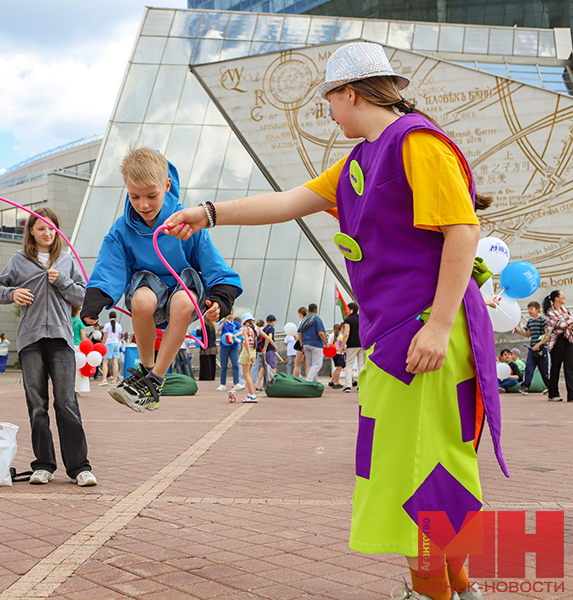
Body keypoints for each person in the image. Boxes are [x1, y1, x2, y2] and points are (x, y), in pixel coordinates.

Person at [164, 42, 506, 600]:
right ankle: (459, 586)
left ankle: (431, 591)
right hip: (399, 331)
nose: (328, 112)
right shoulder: (360, 160)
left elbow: (463, 232)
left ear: (351, 93)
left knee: (416, 467)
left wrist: (440, 326)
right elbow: (289, 201)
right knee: (424, 461)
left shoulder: (417, 143)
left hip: (423, 328)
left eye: (329, 99)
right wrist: (209, 214)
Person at [80, 146, 241, 412]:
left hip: (183, 287)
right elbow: (111, 264)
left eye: (151, 196)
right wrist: (96, 300)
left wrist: (221, 297)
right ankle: (145, 369)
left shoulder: (185, 220)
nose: (143, 205)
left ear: (167, 185)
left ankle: (155, 380)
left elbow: (210, 259)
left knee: (183, 301)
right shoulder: (122, 228)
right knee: (142, 301)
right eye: (135, 196)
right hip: (148, 290)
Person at [0, 206, 96, 486]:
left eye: (51, 228)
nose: (47, 232)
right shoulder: (18, 260)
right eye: (41, 228)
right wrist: (13, 293)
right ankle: (43, 465)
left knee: (67, 402)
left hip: (62, 339)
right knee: (37, 405)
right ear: (31, 232)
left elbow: (83, 295)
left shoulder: (66, 260)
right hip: (31, 340)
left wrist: (62, 280)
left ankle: (79, 467)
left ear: (57, 230)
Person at [543, 290, 573, 402]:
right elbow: (559, 324)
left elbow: (568, 323)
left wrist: (568, 324)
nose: (564, 297)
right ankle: (553, 393)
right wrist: (568, 323)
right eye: (562, 295)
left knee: (570, 367)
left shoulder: (566, 310)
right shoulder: (550, 312)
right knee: (556, 367)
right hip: (557, 342)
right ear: (556, 298)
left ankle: (571, 395)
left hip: (568, 339)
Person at [513, 301, 548, 396]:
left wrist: (539, 344)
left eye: (531, 309)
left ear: (537, 310)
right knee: (529, 368)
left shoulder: (543, 321)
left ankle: (549, 387)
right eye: (528, 309)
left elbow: (547, 335)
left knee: (544, 369)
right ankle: (525, 387)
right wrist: (518, 332)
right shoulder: (530, 321)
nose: (529, 311)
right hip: (531, 349)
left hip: (541, 349)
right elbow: (528, 334)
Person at [298, 304, 327, 382]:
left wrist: (301, 345)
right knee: (317, 365)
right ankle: (308, 380)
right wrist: (326, 343)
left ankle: (315, 383)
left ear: (308, 310)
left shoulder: (303, 320)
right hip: (316, 344)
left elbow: (299, 333)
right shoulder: (317, 319)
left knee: (311, 366)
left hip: (305, 344)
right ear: (316, 310)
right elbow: (321, 333)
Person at [217, 312, 243, 391]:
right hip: (224, 345)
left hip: (234, 346)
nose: (230, 316)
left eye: (231, 314)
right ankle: (222, 383)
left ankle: (236, 382)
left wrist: (236, 335)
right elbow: (218, 330)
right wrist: (223, 322)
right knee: (223, 365)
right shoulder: (223, 323)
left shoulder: (236, 323)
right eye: (229, 314)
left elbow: (242, 330)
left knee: (235, 364)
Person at [238, 312, 260, 403]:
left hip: (247, 351)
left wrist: (249, 354)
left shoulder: (246, 329)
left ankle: (252, 395)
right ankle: (251, 394)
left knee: (245, 374)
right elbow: (266, 336)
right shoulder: (256, 328)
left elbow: (246, 342)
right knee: (248, 373)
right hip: (254, 350)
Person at [342, 302, 364, 392]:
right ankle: (361, 386)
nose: (346, 310)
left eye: (347, 309)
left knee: (349, 366)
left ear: (351, 309)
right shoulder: (362, 318)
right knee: (361, 365)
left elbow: (346, 333)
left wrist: (343, 344)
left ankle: (348, 386)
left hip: (351, 345)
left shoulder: (348, 320)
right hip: (361, 344)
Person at [253, 314, 277, 389]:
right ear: (272, 322)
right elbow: (269, 338)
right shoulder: (271, 328)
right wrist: (274, 346)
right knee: (273, 367)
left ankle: (259, 385)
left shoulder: (264, 328)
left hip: (263, 350)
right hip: (269, 350)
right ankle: (271, 385)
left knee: (263, 368)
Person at [100, 311, 123, 385]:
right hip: (116, 343)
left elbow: (105, 336)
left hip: (108, 344)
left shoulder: (107, 325)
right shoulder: (119, 326)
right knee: (115, 362)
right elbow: (119, 337)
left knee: (105, 362)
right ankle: (114, 379)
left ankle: (104, 379)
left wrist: (102, 344)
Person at [197, 315, 218, 381]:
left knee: (206, 363)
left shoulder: (205, 325)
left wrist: (197, 330)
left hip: (206, 347)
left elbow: (202, 334)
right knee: (212, 362)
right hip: (213, 346)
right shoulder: (212, 326)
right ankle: (212, 376)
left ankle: (206, 377)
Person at [328, 322, 346, 389]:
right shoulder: (341, 336)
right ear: (341, 329)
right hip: (340, 353)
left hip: (334, 353)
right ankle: (336, 382)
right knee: (339, 368)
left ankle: (332, 380)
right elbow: (343, 345)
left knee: (337, 368)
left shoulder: (332, 336)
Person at [292, 307, 308, 377]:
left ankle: (295, 379)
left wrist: (296, 337)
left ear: (300, 314)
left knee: (297, 364)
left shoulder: (301, 322)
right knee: (307, 365)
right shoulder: (309, 321)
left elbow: (299, 334)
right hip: (308, 342)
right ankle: (309, 380)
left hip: (301, 344)